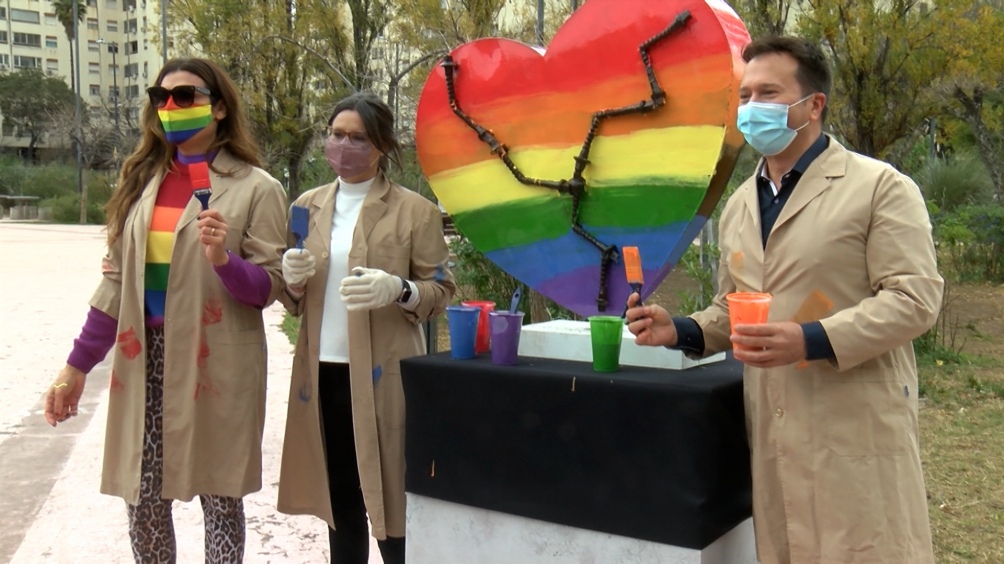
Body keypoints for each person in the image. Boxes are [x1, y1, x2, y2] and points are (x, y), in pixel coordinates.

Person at [626, 36, 943, 564]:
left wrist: (810, 339)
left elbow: (915, 299)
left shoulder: (878, 187)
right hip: (773, 424)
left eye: (768, 93)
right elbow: (735, 305)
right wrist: (679, 329)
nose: (751, 109)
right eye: (745, 96)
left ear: (812, 105)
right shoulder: (741, 206)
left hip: (854, 421)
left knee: (865, 549)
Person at [44, 58, 288, 562]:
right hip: (145, 360)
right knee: (144, 502)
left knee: (221, 500)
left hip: (215, 361)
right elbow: (115, 287)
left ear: (219, 108)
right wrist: (75, 368)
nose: (170, 107)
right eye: (161, 97)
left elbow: (270, 288)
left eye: (185, 97)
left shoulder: (256, 188)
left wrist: (224, 261)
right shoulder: (140, 183)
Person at [276, 92, 455, 564]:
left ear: (381, 145)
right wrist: (290, 283)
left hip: (382, 376)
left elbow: (441, 290)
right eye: (336, 134)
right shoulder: (306, 207)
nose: (343, 146)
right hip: (323, 375)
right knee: (341, 507)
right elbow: (293, 299)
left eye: (357, 137)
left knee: (391, 503)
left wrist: (400, 289)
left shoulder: (415, 211)